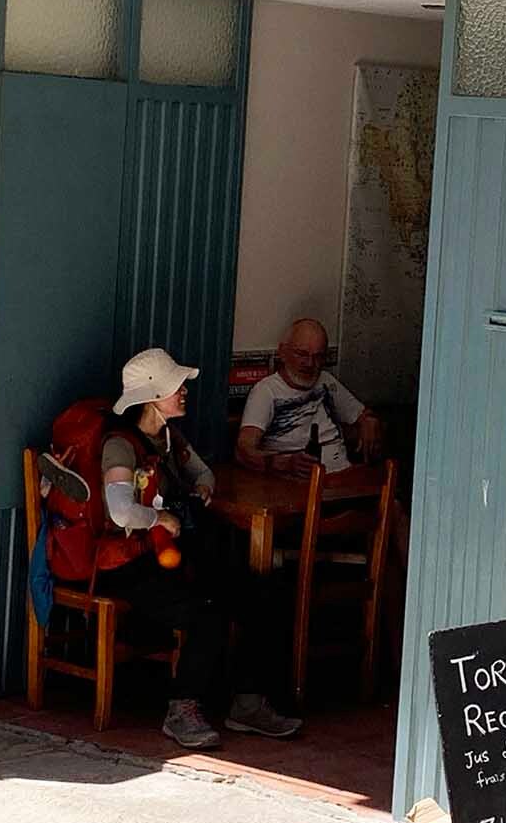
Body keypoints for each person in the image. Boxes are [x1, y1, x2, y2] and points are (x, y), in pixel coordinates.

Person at [95, 347, 301, 749]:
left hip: (172, 558)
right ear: (152, 396)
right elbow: (120, 512)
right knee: (207, 613)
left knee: (259, 594)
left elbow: (201, 470)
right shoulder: (120, 445)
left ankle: (247, 703)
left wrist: (202, 487)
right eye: (176, 386)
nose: (184, 391)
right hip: (131, 566)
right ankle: (181, 709)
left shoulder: (169, 437)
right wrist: (158, 518)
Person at [235, 318, 382, 477]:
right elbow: (243, 450)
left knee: (394, 499)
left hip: (342, 478)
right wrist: (285, 463)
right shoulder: (266, 391)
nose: (310, 363)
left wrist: (369, 421)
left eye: (318, 356)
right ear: (282, 353)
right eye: (302, 354)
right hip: (296, 485)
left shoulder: (326, 381)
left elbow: (363, 414)